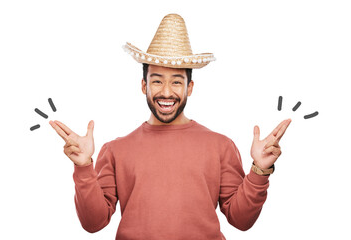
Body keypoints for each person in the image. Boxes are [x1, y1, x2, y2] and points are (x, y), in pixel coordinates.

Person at [49, 13, 291, 240]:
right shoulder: (115, 150)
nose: (166, 92)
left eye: (177, 81)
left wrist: (259, 170)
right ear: (144, 86)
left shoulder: (221, 146)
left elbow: (241, 220)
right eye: (157, 81)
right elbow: (94, 223)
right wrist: (83, 168)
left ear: (190, 88)